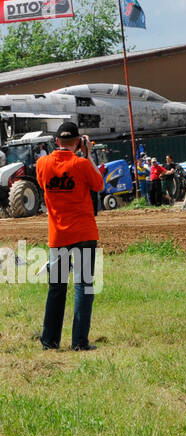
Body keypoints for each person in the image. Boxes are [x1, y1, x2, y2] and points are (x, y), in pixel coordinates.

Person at [36, 122, 104, 351]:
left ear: (56, 142)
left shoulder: (42, 164)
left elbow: (41, 184)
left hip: (58, 236)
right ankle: (79, 342)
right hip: (84, 233)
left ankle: (49, 340)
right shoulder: (82, 163)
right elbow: (99, 184)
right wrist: (88, 154)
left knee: (56, 287)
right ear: (77, 142)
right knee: (83, 285)